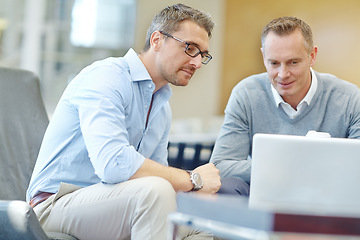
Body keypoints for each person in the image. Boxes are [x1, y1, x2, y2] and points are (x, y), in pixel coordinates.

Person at [26, 4, 221, 240]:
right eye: (190, 48)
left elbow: (160, 177)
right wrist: (193, 180)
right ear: (157, 40)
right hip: (55, 206)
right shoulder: (106, 76)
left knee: (210, 222)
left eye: (203, 55)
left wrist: (189, 193)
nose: (197, 62)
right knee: (154, 192)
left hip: (116, 204)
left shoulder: (162, 108)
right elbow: (113, 164)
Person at [210, 16, 360, 195]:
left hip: (329, 195)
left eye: (293, 62)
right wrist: (284, 169)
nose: (282, 74)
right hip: (267, 190)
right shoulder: (246, 94)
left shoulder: (349, 98)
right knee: (226, 186)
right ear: (263, 56)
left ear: (312, 56)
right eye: (273, 63)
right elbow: (220, 166)